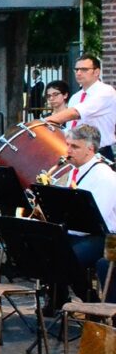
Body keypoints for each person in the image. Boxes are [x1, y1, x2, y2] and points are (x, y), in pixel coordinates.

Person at [60, 125, 116, 305]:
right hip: (77, 231)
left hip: (104, 237)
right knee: (47, 250)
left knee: (66, 260)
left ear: (90, 149)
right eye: (68, 145)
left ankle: (90, 301)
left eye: (74, 147)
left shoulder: (104, 176)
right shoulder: (73, 171)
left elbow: (94, 220)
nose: (68, 151)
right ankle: (59, 302)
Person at [45, 55, 116, 159]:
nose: (78, 73)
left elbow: (76, 113)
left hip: (99, 153)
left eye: (84, 69)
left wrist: (42, 122)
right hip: (76, 153)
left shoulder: (105, 92)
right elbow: (71, 128)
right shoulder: (75, 97)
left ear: (96, 72)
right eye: (77, 69)